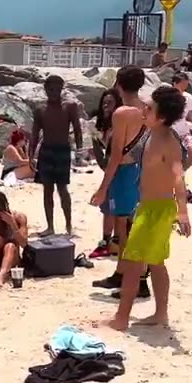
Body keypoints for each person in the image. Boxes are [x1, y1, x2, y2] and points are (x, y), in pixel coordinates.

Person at [104, 86, 190, 332]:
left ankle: (121, 318)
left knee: (132, 264)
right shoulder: (152, 133)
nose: (144, 109)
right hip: (148, 207)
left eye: (149, 108)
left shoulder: (167, 140)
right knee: (155, 263)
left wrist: (182, 211)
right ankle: (160, 314)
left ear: (162, 116)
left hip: (158, 210)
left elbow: (177, 176)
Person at [90, 66, 149, 295]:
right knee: (129, 226)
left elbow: (116, 155)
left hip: (123, 172)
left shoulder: (122, 113)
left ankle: (133, 280)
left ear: (119, 84)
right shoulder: (146, 108)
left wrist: (103, 188)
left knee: (125, 230)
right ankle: (122, 274)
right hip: (140, 170)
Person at [29, 74, 84, 236]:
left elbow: (78, 129)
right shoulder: (40, 109)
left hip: (63, 150)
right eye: (50, 88)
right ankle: (50, 226)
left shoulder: (70, 107)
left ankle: (68, 225)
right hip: (46, 150)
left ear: (62, 89)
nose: (53, 91)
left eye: (56, 88)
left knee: (62, 188)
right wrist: (30, 156)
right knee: (47, 189)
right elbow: (34, 134)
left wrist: (79, 152)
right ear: (45, 89)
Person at [89, 89, 121, 259]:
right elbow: (100, 153)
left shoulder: (121, 124)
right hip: (108, 168)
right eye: (104, 103)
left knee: (118, 208)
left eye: (110, 103)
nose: (106, 106)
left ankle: (115, 241)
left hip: (120, 169)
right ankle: (106, 241)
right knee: (107, 208)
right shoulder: (100, 126)